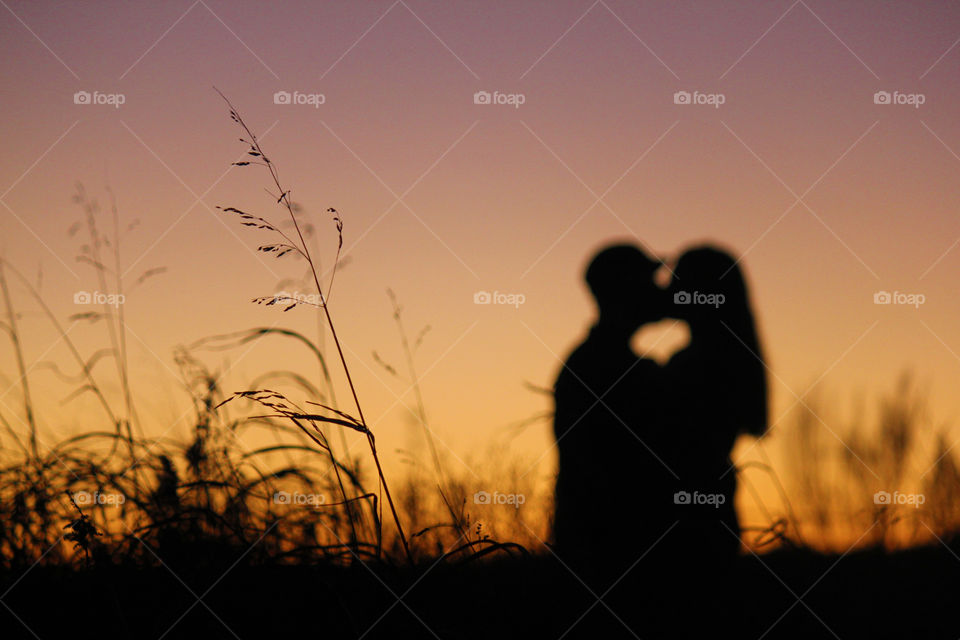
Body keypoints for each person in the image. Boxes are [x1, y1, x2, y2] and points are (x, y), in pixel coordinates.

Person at [552, 243, 673, 591]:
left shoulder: (594, 361)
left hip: (600, 551)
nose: (660, 290)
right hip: (614, 557)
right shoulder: (608, 367)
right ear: (626, 290)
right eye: (650, 281)